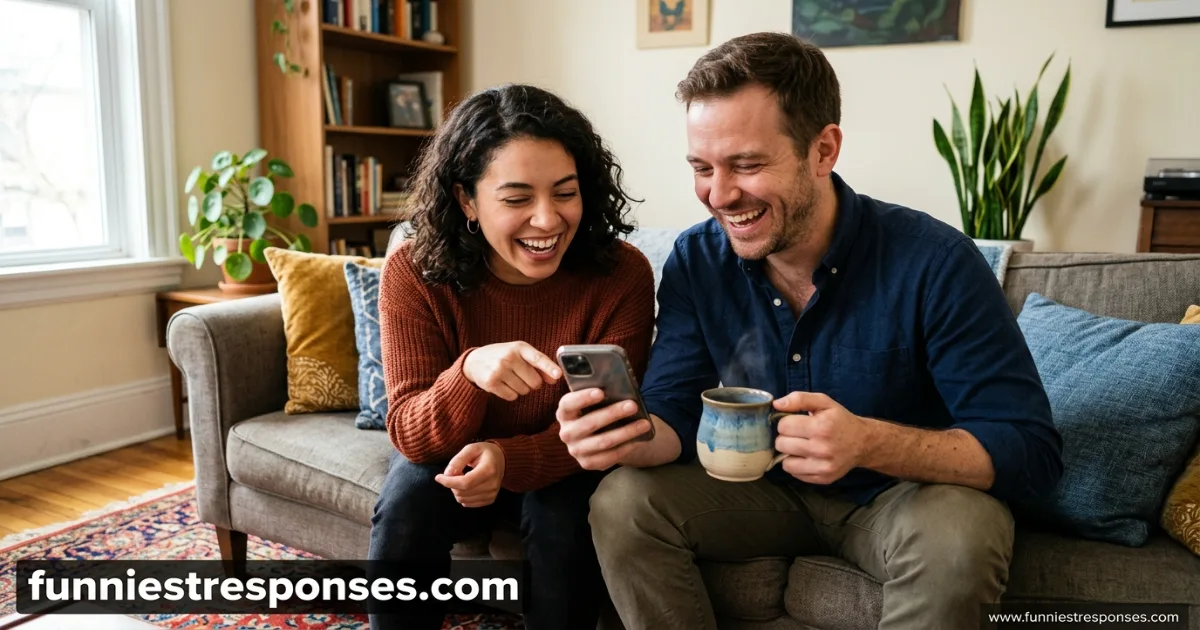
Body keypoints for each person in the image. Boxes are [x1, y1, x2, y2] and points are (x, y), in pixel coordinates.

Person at [556, 33, 1063, 630]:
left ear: (823, 150)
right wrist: (627, 435)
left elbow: (1030, 451)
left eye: (746, 164)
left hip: (902, 497)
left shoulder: (936, 261)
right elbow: (674, 407)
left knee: (962, 536)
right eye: (702, 168)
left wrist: (869, 442)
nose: (719, 196)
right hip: (759, 491)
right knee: (622, 501)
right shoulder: (698, 260)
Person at [369, 83, 656, 630]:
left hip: (564, 461)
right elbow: (409, 433)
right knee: (407, 497)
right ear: (467, 201)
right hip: (452, 454)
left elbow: (609, 429)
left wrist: (510, 461)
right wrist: (469, 372)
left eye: (565, 193)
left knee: (565, 516)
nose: (547, 221)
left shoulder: (621, 275)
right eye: (517, 198)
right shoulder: (414, 272)